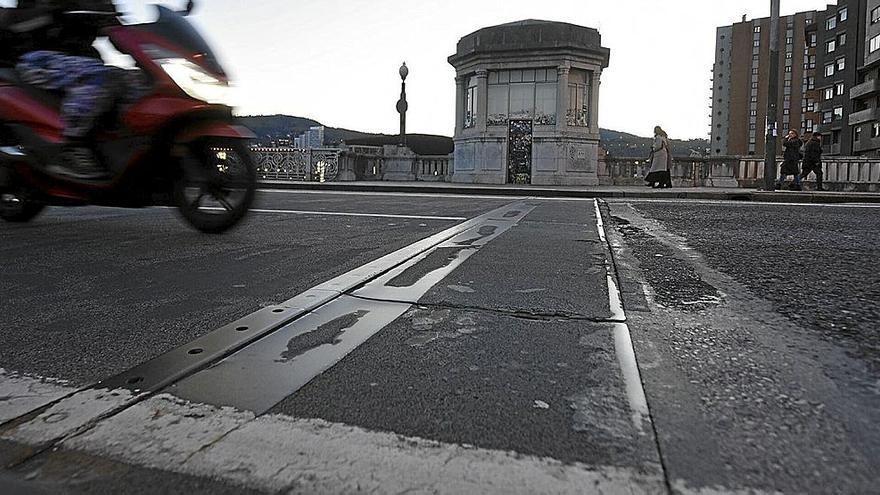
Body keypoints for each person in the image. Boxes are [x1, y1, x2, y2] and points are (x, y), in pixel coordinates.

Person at [0, 0, 120, 180]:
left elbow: (119, 33)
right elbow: (14, 22)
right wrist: (55, 12)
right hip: (39, 59)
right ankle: (72, 147)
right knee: (98, 77)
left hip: (82, 61)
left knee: (131, 81)